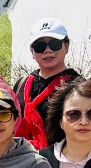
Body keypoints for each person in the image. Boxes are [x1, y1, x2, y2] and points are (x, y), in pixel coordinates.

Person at [13, 20, 80, 148]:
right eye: (40, 46)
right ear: (32, 51)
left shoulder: (78, 85)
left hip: (63, 157)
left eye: (55, 44)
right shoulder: (22, 84)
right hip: (22, 156)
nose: (48, 50)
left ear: (66, 46)